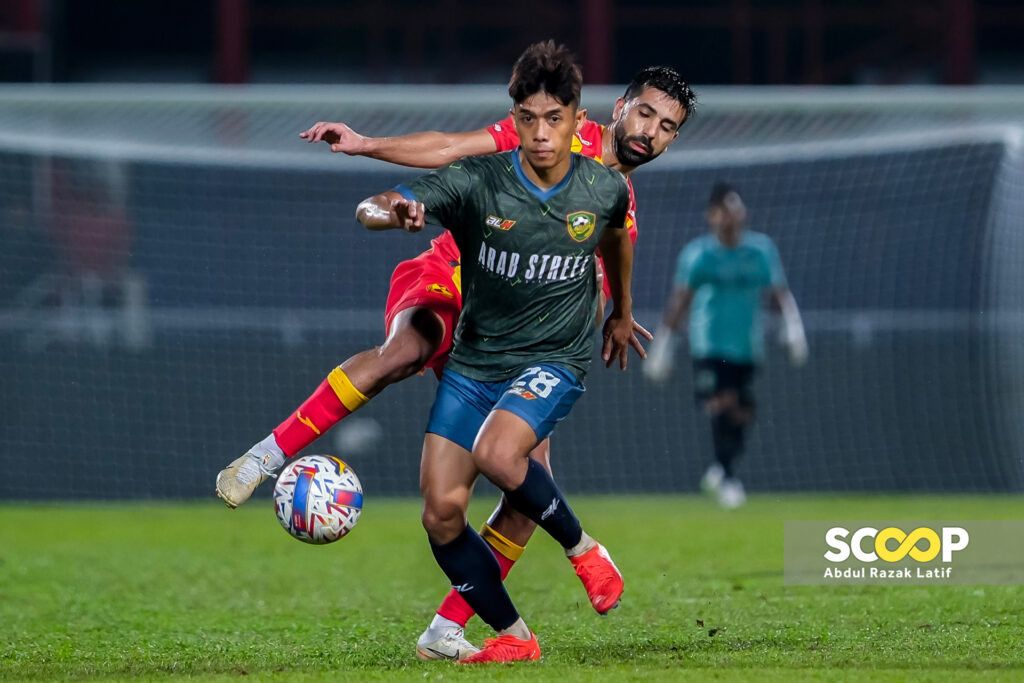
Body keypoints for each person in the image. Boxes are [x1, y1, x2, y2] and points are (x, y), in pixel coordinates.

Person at [216, 61, 695, 659]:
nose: (650, 130)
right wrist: (365, 146)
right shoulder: (561, 130)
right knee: (405, 350)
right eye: (645, 112)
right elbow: (450, 147)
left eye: (667, 126)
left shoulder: (617, 203)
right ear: (620, 106)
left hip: (514, 343)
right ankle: (266, 457)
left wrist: (617, 312)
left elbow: (593, 272)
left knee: (526, 494)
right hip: (452, 277)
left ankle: (448, 629)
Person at [354, 40, 645, 664]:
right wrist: (388, 211)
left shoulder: (603, 187)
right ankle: (515, 637)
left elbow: (619, 239)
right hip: (475, 361)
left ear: (578, 119)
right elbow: (392, 201)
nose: (541, 134)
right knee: (440, 514)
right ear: (512, 119)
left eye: (555, 119)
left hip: (552, 359)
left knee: (497, 453)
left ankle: (584, 549)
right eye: (528, 119)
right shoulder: (478, 180)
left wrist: (620, 310)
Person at [644, 182, 808, 508]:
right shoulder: (698, 254)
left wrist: (793, 329)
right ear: (712, 216)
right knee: (723, 402)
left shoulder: (760, 250)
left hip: (747, 345)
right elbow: (681, 301)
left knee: (743, 411)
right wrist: (663, 345)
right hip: (710, 344)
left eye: (734, 208)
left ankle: (721, 468)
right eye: (722, 211)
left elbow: (777, 294)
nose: (730, 217)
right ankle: (729, 478)